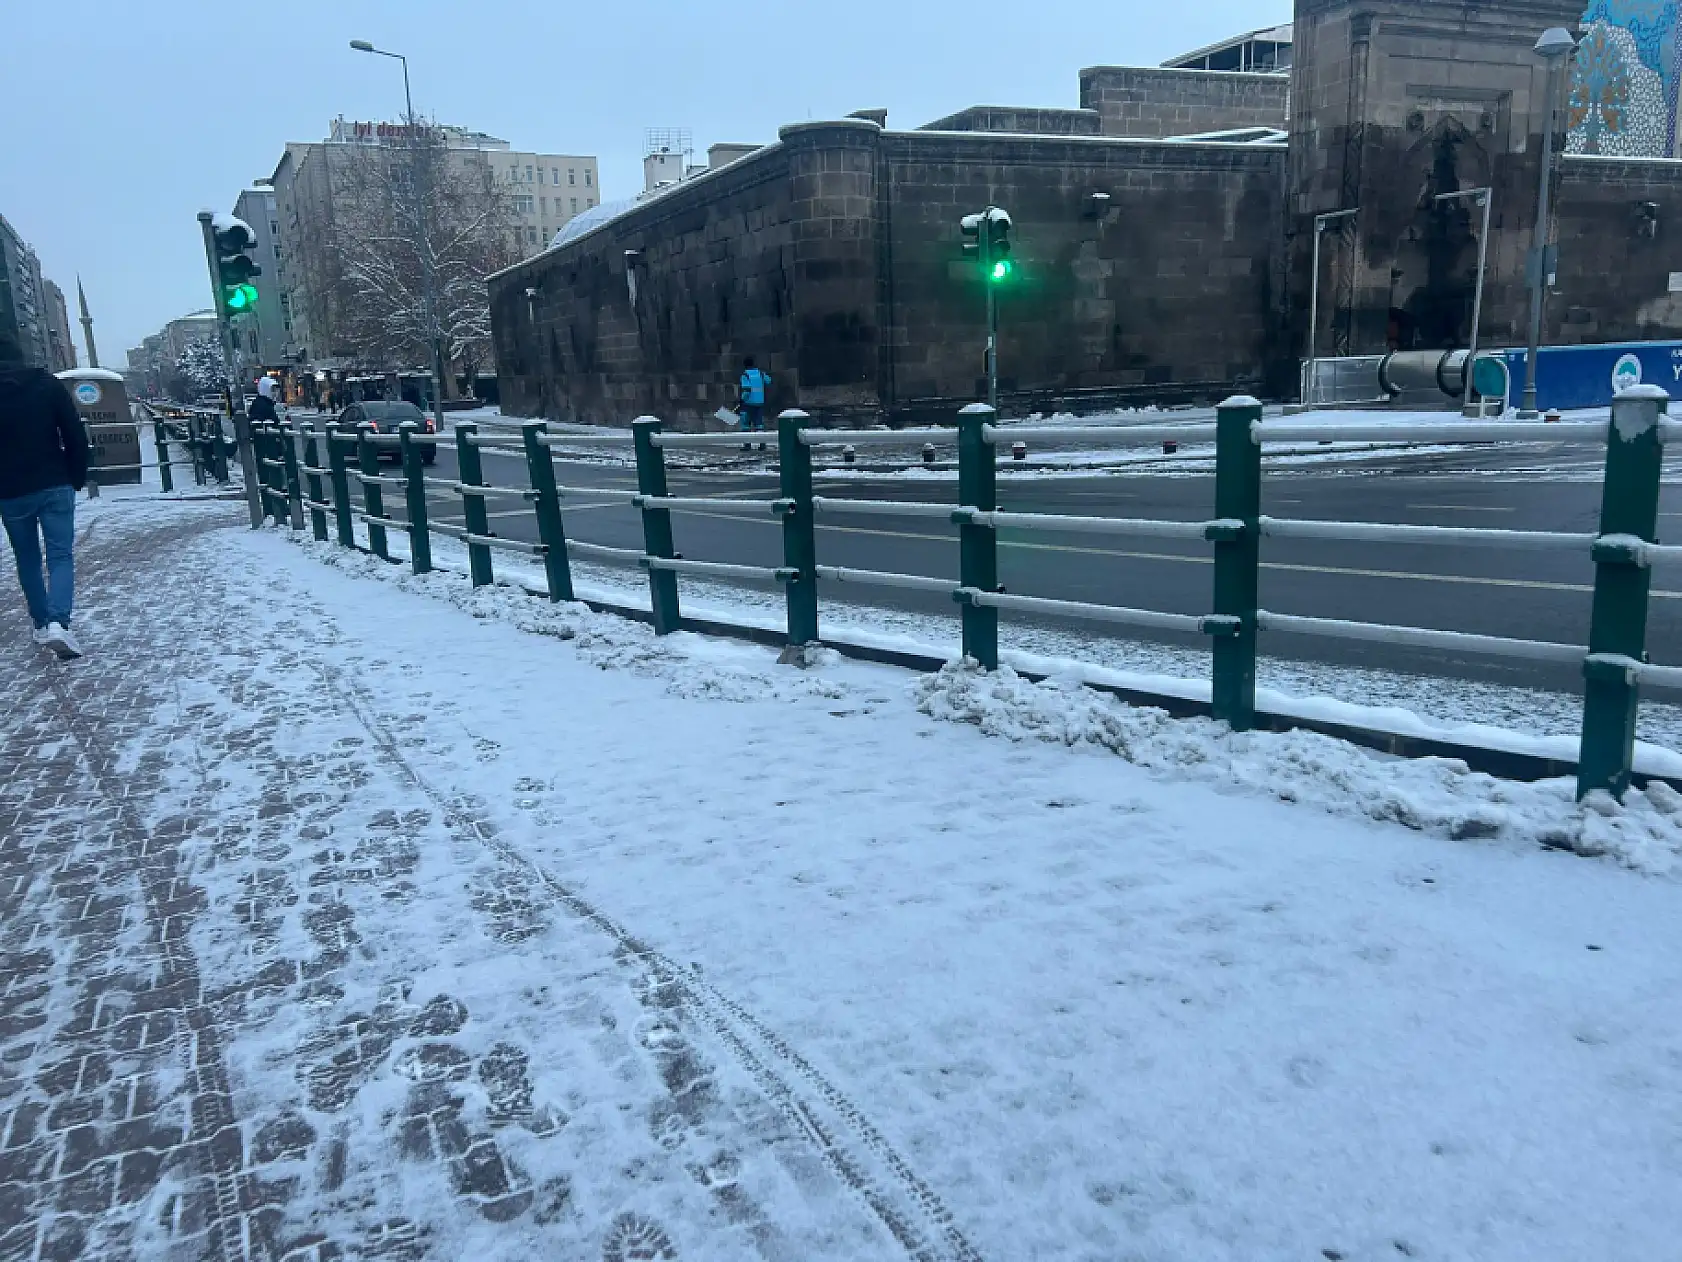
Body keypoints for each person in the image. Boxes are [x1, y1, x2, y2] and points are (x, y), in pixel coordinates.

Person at [0, 331, 90, 659]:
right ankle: (59, 623)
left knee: (27, 559)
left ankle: (40, 623)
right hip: (54, 482)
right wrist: (75, 476)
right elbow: (73, 432)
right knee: (60, 555)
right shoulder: (45, 383)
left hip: (10, 490)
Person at [738, 357, 772, 452]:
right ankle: (762, 444)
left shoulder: (745, 375)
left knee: (745, 423)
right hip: (759, 402)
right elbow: (768, 381)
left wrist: (742, 399)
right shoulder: (760, 373)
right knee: (759, 424)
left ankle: (747, 444)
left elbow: (747, 389)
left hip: (748, 403)